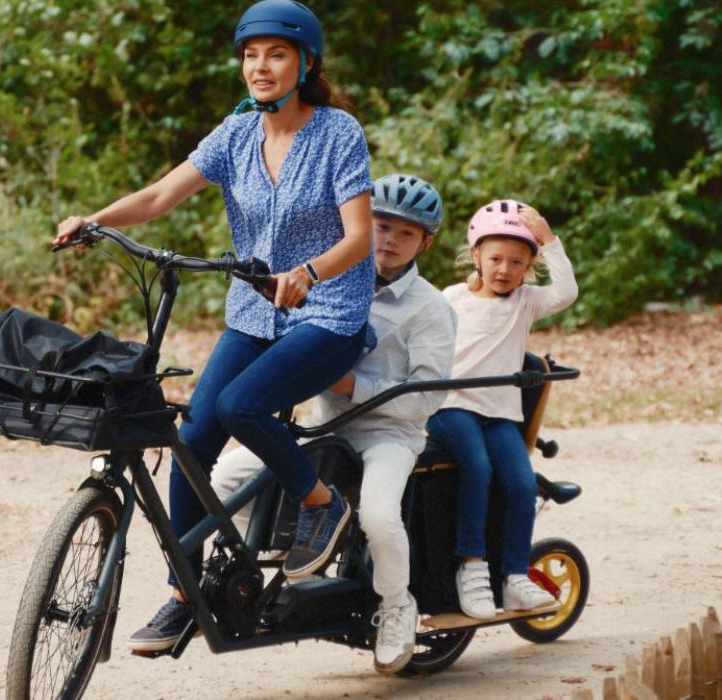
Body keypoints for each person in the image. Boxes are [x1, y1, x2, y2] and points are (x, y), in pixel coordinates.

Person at [50, 0, 376, 653]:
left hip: (328, 310)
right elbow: (158, 196)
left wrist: (309, 272)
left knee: (240, 405)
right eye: (251, 55)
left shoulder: (338, 133)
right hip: (256, 311)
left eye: (276, 54)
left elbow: (360, 237)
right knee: (192, 438)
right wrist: (95, 219)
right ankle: (183, 593)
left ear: (305, 62)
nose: (261, 66)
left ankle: (322, 504)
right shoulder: (233, 137)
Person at [206, 174, 455, 672]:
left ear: (425, 242)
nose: (388, 240)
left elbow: (426, 399)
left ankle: (396, 606)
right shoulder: (332, 279)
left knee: (381, 516)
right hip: (325, 425)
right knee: (225, 479)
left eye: (405, 233)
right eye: (381, 226)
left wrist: (351, 387)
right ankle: (277, 561)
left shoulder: (430, 308)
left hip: (387, 432)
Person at [426, 199, 579, 620]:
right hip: (452, 405)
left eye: (517, 262)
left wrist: (548, 241)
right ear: (475, 255)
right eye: (495, 258)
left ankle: (513, 576)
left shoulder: (525, 301)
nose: (504, 270)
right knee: (477, 467)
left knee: (521, 483)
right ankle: (471, 567)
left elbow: (567, 292)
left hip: (499, 412)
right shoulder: (453, 297)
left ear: (529, 266)